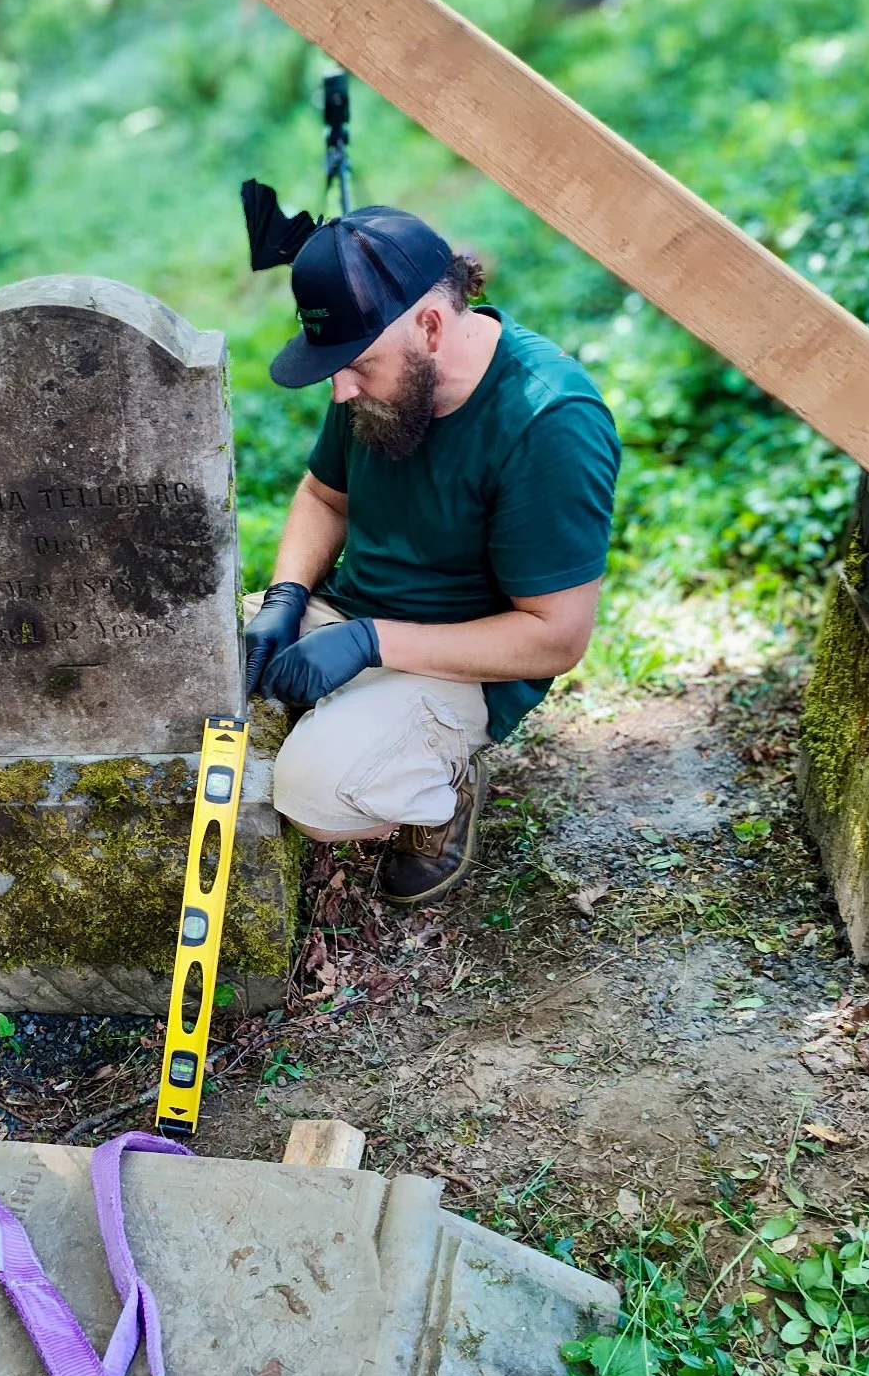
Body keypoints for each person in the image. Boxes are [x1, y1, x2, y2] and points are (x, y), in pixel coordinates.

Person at [243, 206, 620, 906]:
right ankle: (363, 721)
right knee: (200, 660)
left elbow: (555, 637)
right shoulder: (380, 373)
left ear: (431, 326)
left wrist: (372, 643)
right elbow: (324, 497)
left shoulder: (548, 422)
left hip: (462, 663)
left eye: (355, 367)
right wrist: (286, 598)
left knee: (311, 795)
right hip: (353, 616)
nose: (340, 390)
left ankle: (441, 789)